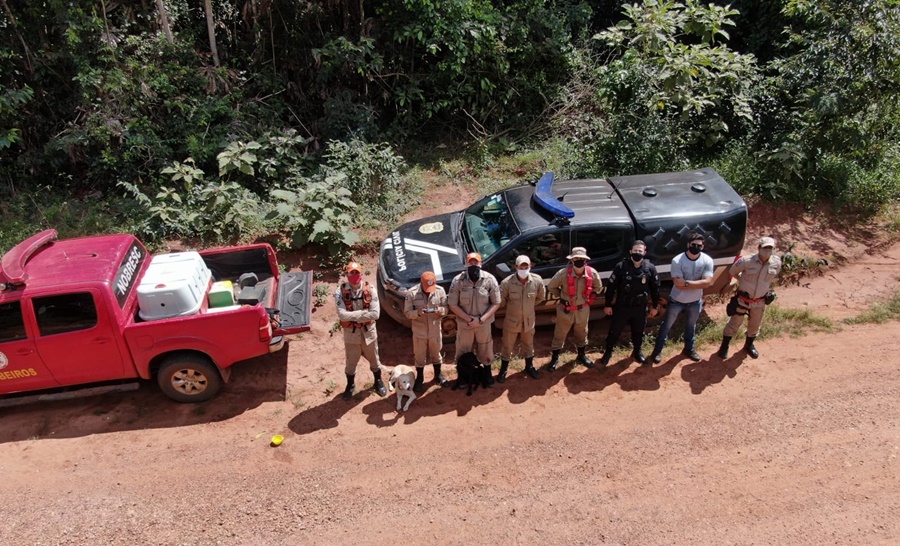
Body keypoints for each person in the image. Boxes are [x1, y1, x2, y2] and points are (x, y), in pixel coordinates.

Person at [649, 233, 714, 363]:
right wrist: (697, 283)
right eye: (693, 245)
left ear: (703, 246)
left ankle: (689, 349)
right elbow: (678, 284)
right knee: (666, 326)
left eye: (699, 245)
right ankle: (657, 352)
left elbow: (708, 283)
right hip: (676, 301)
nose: (696, 247)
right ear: (688, 245)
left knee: (691, 326)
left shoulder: (707, 260)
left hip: (695, 302)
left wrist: (686, 283)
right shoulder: (677, 260)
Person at [718, 236, 783, 359]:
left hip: (759, 301)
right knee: (734, 324)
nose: (767, 250)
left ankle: (749, 346)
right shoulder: (746, 261)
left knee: (755, 325)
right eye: (765, 247)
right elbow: (732, 271)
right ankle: (724, 346)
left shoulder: (776, 262)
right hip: (743, 299)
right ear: (758, 248)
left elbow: (771, 278)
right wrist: (742, 280)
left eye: (770, 248)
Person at [599, 240, 660, 366]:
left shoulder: (650, 268)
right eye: (635, 250)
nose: (637, 253)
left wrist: (655, 306)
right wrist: (608, 304)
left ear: (645, 252)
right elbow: (611, 287)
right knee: (614, 331)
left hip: (640, 307)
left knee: (638, 332)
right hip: (623, 306)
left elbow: (655, 289)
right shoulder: (621, 266)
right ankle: (608, 352)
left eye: (640, 251)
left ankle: (637, 352)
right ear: (630, 251)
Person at [335, 261, 386, 400]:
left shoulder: (371, 290)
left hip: (369, 333)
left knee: (374, 359)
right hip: (351, 334)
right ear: (347, 274)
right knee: (351, 362)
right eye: (352, 273)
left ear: (361, 274)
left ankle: (378, 381)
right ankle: (350, 385)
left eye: (357, 272)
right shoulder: (340, 292)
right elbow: (342, 315)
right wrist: (362, 314)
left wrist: (353, 317)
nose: (354, 275)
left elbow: (375, 314)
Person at [546, 246, 603, 370]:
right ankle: (555, 358)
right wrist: (562, 296)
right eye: (576, 258)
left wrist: (588, 297)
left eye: (581, 258)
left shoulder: (592, 273)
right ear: (572, 260)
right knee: (559, 334)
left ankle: (581, 355)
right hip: (565, 310)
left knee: (582, 333)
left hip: (582, 309)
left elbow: (597, 288)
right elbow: (551, 287)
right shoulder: (562, 274)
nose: (579, 261)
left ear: (585, 260)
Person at [448, 252, 501, 384]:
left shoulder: (490, 280)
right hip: (465, 324)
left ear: (480, 263)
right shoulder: (458, 281)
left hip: (484, 324)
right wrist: (469, 319)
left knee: (485, 348)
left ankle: (487, 374)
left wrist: (481, 320)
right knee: (463, 349)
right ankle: (462, 376)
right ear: (466, 264)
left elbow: (496, 303)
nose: (473, 265)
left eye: (475, 263)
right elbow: (452, 304)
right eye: (470, 263)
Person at [498, 255, 546, 381]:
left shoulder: (537, 281)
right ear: (516, 267)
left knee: (528, 345)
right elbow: (501, 302)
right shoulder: (507, 283)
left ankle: (529, 367)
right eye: (521, 267)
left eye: (526, 267)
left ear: (530, 267)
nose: (524, 269)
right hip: (512, 321)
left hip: (529, 321)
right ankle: (503, 370)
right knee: (507, 345)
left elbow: (540, 298)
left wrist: (528, 306)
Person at [403, 271, 450, 392]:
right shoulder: (411, 293)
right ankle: (420, 378)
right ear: (421, 283)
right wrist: (417, 313)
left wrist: (441, 310)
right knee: (419, 356)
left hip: (435, 330)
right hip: (419, 332)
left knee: (436, 353)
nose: (429, 290)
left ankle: (438, 375)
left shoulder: (440, 291)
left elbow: (446, 308)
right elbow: (407, 313)